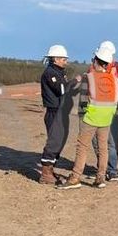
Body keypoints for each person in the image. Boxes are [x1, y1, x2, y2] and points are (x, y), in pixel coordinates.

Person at [57, 45, 118, 190]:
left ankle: (75, 178)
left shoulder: (89, 77)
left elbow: (84, 100)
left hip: (90, 117)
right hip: (106, 118)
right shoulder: (115, 80)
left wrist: (82, 114)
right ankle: (100, 178)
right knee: (103, 147)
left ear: (96, 61)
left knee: (82, 147)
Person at [90, 41, 118, 182]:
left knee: (109, 142)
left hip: (109, 111)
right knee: (99, 141)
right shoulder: (94, 68)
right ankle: (104, 167)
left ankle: (111, 170)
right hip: (99, 110)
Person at [39, 44, 73, 185]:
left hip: (60, 111)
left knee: (60, 140)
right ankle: (46, 173)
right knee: (54, 141)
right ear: (55, 59)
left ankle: (50, 169)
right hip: (54, 111)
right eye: (64, 59)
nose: (66, 61)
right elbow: (62, 89)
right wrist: (75, 82)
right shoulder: (50, 73)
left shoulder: (59, 72)